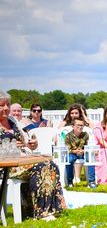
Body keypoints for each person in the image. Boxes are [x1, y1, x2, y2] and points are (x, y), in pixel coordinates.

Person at [0, 91, 66, 220]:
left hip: (22, 160)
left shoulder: (13, 120)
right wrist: (14, 147)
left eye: (8, 104)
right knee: (41, 167)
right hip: (6, 166)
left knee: (51, 165)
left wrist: (32, 144)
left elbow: (26, 141)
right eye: (2, 105)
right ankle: (42, 212)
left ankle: (49, 209)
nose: (6, 108)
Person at [65, 118, 97, 188]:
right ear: (73, 126)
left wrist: (83, 151)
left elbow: (89, 146)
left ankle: (91, 181)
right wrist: (75, 151)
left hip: (83, 153)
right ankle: (70, 181)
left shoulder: (85, 135)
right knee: (69, 159)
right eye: (78, 125)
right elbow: (67, 149)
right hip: (72, 153)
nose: (80, 127)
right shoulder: (68, 136)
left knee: (90, 158)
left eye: (82, 125)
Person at [93, 104, 107, 185]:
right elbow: (101, 140)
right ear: (105, 113)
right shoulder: (99, 126)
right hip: (101, 149)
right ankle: (104, 180)